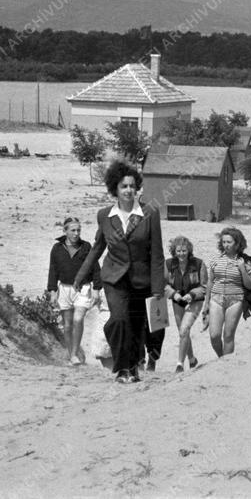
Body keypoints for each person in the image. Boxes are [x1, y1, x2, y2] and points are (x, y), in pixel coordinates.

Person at [75, 160, 165, 384]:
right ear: (115, 188)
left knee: (136, 327)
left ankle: (132, 368)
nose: (128, 190)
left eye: (132, 186)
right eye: (124, 186)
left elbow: (157, 254)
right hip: (114, 278)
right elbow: (97, 247)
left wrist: (157, 289)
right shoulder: (104, 215)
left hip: (141, 279)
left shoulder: (150, 213)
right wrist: (80, 276)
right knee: (118, 320)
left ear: (137, 188)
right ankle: (122, 366)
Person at [46, 217, 100, 366]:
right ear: (65, 231)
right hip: (64, 289)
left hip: (83, 288)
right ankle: (71, 355)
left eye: (78, 230)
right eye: (73, 230)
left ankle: (75, 353)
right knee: (68, 324)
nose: (76, 233)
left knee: (78, 319)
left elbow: (95, 267)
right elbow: (53, 270)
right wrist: (52, 290)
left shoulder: (86, 246)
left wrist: (96, 288)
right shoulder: (57, 248)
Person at [201, 227, 251, 357]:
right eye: (224, 242)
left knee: (228, 335)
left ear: (237, 244)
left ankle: (226, 364)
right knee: (214, 335)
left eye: (229, 242)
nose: (226, 245)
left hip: (235, 300)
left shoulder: (245, 261)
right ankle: (222, 359)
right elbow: (210, 281)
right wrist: (206, 303)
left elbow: (249, 284)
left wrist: (242, 268)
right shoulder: (215, 260)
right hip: (216, 299)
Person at [163, 236, 207, 374]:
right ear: (174, 251)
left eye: (184, 250)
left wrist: (192, 295)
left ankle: (179, 364)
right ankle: (192, 359)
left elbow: (204, 286)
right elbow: (163, 284)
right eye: (179, 251)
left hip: (194, 300)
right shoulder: (169, 264)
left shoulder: (199, 264)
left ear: (189, 250)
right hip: (177, 299)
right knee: (183, 332)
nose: (181, 254)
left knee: (184, 329)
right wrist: (173, 294)